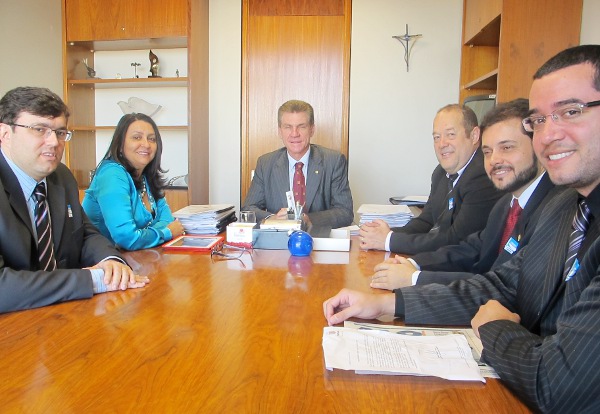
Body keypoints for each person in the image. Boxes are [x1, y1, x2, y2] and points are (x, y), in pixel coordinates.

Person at [324, 45, 600, 413]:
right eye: (539, 121)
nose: (549, 135)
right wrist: (388, 303)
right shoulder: (566, 206)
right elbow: (502, 285)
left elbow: (558, 385)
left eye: (570, 112)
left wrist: (495, 328)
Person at [371, 99, 559, 290]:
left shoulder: (555, 209)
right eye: (487, 151)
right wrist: (414, 264)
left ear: (538, 144)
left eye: (507, 147)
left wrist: (415, 278)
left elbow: (506, 284)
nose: (494, 160)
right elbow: (471, 249)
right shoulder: (506, 204)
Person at [0, 86, 148, 313]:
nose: (53, 142)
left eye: (60, 133)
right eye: (40, 129)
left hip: (59, 317)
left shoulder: (61, 176)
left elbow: (85, 234)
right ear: (5, 134)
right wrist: (91, 280)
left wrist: (111, 262)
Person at [360, 104, 504, 255]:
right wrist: (386, 234)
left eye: (450, 135)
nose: (442, 144)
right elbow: (426, 221)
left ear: (474, 136)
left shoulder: (482, 175)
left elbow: (455, 240)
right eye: (437, 137)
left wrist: (389, 240)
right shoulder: (440, 173)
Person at [241, 100, 353, 229]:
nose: (295, 134)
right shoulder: (266, 163)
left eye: (301, 126)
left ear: (312, 130)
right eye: (288, 127)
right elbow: (248, 209)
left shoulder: (333, 161)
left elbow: (345, 212)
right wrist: (273, 218)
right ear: (280, 131)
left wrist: (306, 219)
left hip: (318, 240)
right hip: (278, 241)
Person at [82, 113, 184, 250]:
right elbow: (127, 239)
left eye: (152, 139)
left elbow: (167, 220)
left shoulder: (146, 176)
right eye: (137, 137)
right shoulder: (112, 175)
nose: (146, 144)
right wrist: (167, 232)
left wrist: (144, 235)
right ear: (120, 144)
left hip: (139, 257)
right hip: (103, 262)